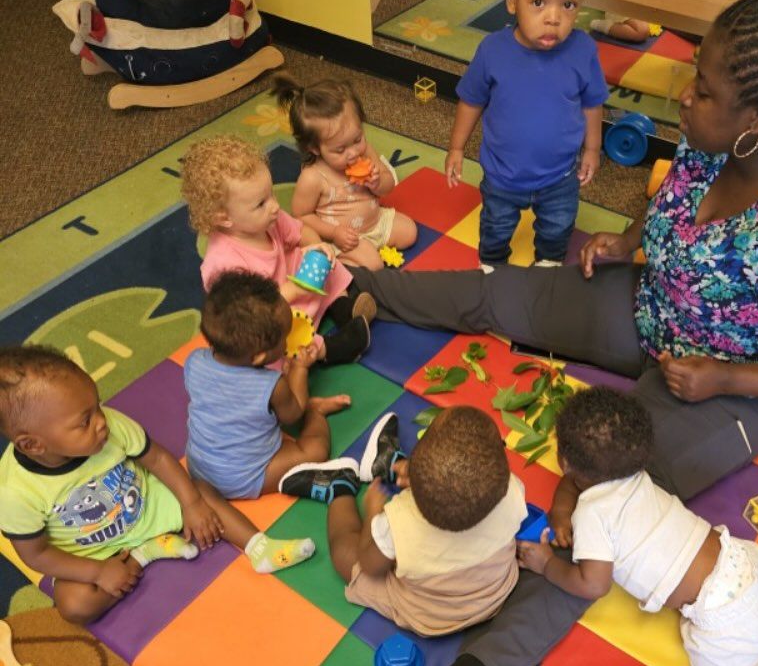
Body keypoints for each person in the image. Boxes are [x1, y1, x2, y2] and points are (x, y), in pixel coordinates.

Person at [348, 0, 758, 666]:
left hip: (735, 385)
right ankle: (365, 300)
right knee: (508, 295)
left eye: (705, 89)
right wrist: (625, 242)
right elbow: (670, 196)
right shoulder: (710, 133)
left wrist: (724, 377)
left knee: (608, 511)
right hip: (654, 308)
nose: (684, 96)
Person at [518, 387, 758, 666]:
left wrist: (547, 562)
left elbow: (593, 583)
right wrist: (561, 514)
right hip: (751, 561)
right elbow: (574, 483)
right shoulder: (634, 472)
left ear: (564, 461)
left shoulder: (592, 514)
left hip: (729, 619)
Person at [0, 346, 317, 626]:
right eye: (84, 421)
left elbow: (158, 460)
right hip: (93, 552)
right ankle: (146, 553)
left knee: (202, 490)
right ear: (33, 445)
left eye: (97, 405)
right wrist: (97, 573)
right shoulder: (16, 492)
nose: (101, 421)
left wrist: (191, 504)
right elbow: (37, 554)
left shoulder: (110, 426)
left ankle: (258, 548)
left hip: (150, 505)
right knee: (74, 606)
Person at [279, 407, 528, 636]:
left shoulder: (398, 522)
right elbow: (467, 485)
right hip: (494, 593)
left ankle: (339, 487)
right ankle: (388, 463)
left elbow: (370, 564)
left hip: (428, 615)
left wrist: (373, 513)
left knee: (346, 556)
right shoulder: (513, 489)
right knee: (454, 481)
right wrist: (420, 475)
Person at [446, 0, 609, 269]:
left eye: (568, 4)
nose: (553, 18)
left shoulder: (583, 50)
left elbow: (592, 102)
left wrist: (592, 148)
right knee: (495, 228)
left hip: (560, 176)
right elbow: (471, 100)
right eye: (538, 1)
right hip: (503, 176)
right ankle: (492, 266)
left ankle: (547, 264)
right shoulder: (493, 50)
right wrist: (457, 147)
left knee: (557, 229)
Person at [182, 134, 373, 365]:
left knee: (327, 264)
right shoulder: (223, 265)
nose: (274, 206)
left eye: (271, 193)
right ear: (224, 218)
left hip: (295, 279)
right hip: (273, 308)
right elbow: (252, 315)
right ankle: (330, 350)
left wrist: (316, 247)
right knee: (273, 346)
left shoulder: (268, 218)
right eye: (261, 204)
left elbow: (300, 232)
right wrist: (293, 290)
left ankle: (342, 306)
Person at [184, 271, 357, 500]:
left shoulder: (194, 361)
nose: (287, 341)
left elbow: (229, 399)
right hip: (242, 477)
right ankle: (317, 412)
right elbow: (293, 414)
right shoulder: (271, 385)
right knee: (315, 450)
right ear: (258, 357)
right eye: (284, 337)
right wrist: (300, 369)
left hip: (198, 468)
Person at [273, 76, 417, 271]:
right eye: (340, 150)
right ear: (315, 148)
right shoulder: (313, 177)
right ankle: (337, 262)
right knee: (373, 265)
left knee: (410, 232)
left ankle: (369, 249)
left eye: (357, 139)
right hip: (342, 237)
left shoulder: (365, 152)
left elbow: (389, 186)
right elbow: (301, 217)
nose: (353, 153)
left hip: (375, 221)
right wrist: (334, 233)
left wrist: (377, 183)